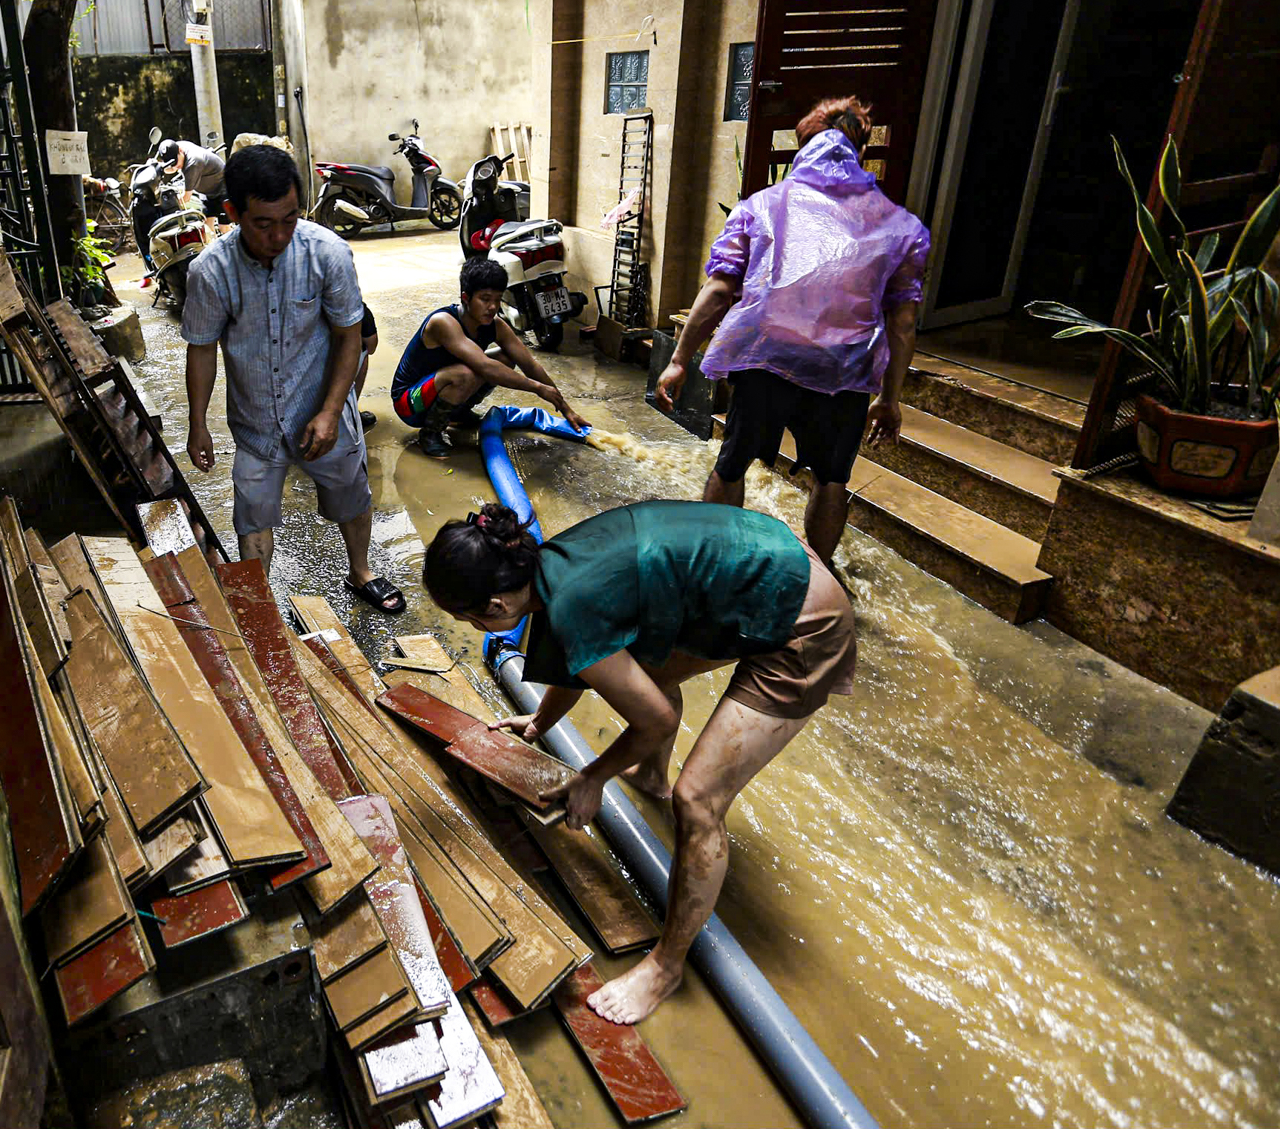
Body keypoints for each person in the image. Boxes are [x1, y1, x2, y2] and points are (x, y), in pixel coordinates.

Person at [423, 499, 855, 1025]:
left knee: (697, 802)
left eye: (465, 617)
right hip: (766, 561)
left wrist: (593, 777)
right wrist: (540, 725)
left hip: (801, 617)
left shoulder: (571, 605)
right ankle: (651, 778)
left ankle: (667, 968)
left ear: (492, 607)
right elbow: (576, 655)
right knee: (647, 681)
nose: (471, 627)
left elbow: (655, 721)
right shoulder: (550, 564)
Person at [656, 96, 929, 566]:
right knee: (831, 479)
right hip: (843, 372)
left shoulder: (762, 207)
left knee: (732, 461)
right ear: (860, 150)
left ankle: (713, 567)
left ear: (803, 144)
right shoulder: (901, 227)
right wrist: (889, 398)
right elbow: (902, 322)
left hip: (767, 360)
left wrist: (680, 359)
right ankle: (819, 577)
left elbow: (720, 290)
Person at [182, 145, 405, 613]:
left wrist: (329, 412)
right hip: (255, 422)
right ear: (232, 213)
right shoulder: (209, 272)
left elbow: (350, 339)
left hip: (324, 412)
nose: (279, 235)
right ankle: (260, 607)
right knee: (252, 516)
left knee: (351, 494)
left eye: (289, 218)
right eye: (263, 224)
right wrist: (197, 422)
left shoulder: (328, 253)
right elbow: (201, 349)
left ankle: (360, 570)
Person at [391, 257, 589, 457]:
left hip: (439, 387)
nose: (493, 307)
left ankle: (458, 413)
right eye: (485, 299)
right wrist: (536, 388)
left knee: (505, 358)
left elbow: (529, 364)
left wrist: (566, 409)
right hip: (409, 404)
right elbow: (485, 367)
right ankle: (431, 432)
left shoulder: (496, 325)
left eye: (497, 299)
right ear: (466, 298)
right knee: (465, 374)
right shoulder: (443, 322)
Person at [159, 137, 227, 218]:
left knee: (224, 227)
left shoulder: (193, 163)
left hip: (221, 188)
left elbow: (186, 198)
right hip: (206, 193)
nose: (176, 166)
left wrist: (166, 206)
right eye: (172, 164)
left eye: (176, 162)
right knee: (207, 224)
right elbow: (172, 168)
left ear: (180, 150)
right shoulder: (175, 147)